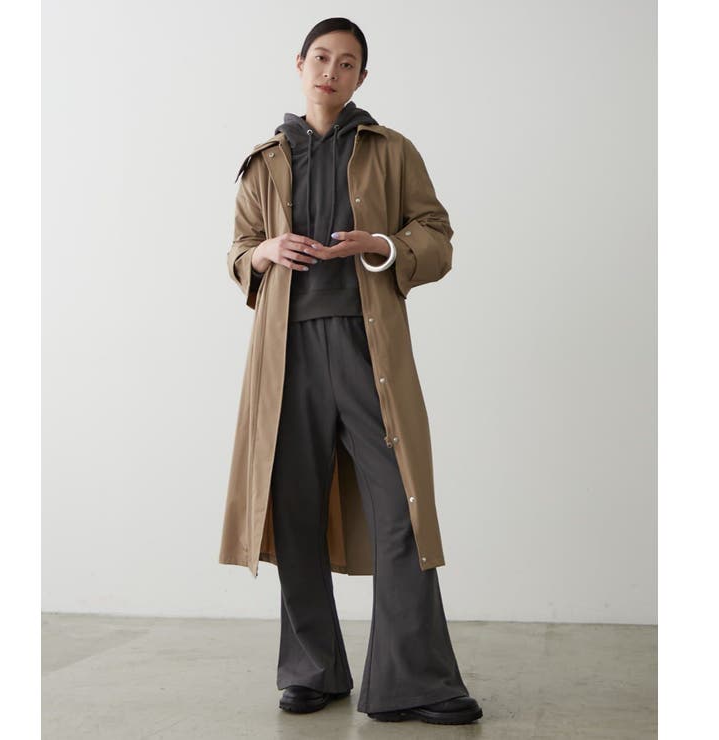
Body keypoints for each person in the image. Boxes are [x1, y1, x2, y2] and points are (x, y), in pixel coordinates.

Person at [220, 17, 483, 726]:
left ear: (362, 77)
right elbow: (238, 249)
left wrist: (383, 245)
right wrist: (265, 252)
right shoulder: (263, 161)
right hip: (287, 356)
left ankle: (415, 681)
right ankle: (312, 671)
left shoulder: (391, 150)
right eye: (321, 58)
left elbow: (436, 235)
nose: (331, 71)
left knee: (402, 510)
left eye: (347, 63)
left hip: (370, 352)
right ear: (299, 64)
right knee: (295, 510)